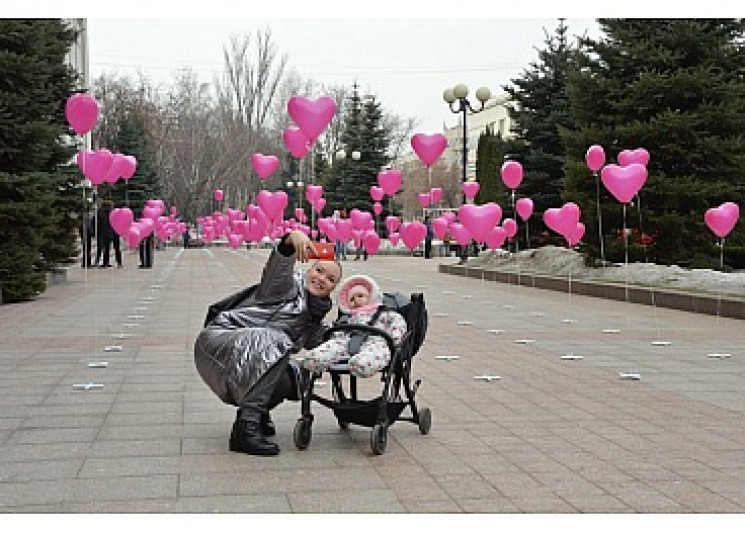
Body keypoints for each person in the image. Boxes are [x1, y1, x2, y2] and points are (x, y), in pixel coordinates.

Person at [194, 230, 342, 456]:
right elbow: (278, 264)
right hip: (220, 339)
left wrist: (355, 327)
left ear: (333, 289)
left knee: (295, 377)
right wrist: (291, 239)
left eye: (330, 279)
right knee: (277, 342)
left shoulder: (314, 314)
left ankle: (251, 418)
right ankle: (248, 427)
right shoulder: (284, 287)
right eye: (319, 271)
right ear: (309, 269)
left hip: (252, 351)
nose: (321, 279)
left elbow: (319, 342)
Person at [301, 274, 407, 378]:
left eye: (360, 296)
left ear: (371, 296)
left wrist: (395, 336)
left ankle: (363, 365)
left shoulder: (384, 312)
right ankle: (316, 359)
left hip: (375, 340)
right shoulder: (349, 316)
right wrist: (336, 334)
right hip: (349, 340)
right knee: (334, 345)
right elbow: (341, 328)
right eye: (351, 299)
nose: (356, 300)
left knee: (377, 352)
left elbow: (398, 323)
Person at [95, 200, 122, 268]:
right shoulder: (114, 212)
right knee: (117, 248)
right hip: (115, 232)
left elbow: (97, 223)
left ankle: (105, 263)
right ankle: (119, 263)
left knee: (106, 248)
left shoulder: (100, 212)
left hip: (105, 232)